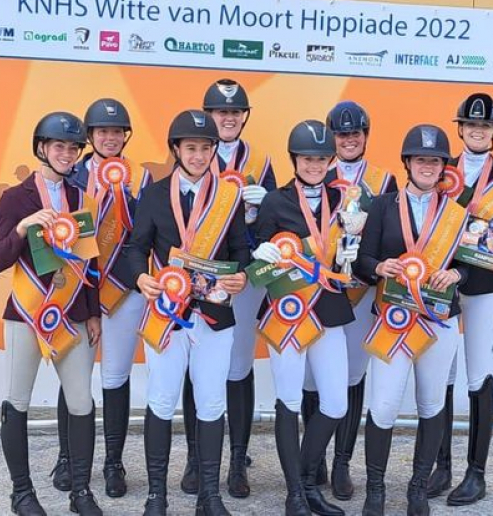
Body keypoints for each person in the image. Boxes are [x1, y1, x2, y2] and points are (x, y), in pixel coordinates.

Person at [123, 109, 251, 516]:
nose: (198, 156)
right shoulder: (154, 194)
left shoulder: (228, 197)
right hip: (168, 313)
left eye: (205, 148)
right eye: (191, 147)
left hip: (214, 315)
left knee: (211, 403)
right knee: (161, 401)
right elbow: (135, 248)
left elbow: (240, 249)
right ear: (176, 149)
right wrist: (140, 278)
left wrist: (242, 275)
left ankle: (209, 496)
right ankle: (156, 495)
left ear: (214, 150)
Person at [0, 112, 104, 516]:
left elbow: (89, 263)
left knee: (81, 401)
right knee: (18, 400)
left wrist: (93, 313)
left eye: (73, 148)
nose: (67, 154)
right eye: (59, 146)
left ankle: (81, 491)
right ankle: (22, 492)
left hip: (72, 313)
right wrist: (23, 227)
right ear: (42, 148)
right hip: (26, 313)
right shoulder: (15, 198)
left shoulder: (82, 199)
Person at [354, 124, 470, 516]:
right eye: (421, 159)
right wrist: (378, 267)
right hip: (393, 318)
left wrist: (456, 274)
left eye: (435, 161)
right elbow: (363, 259)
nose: (427, 166)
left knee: (431, 402)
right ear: (407, 162)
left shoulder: (456, 214)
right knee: (384, 404)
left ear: (443, 167)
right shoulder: (383, 206)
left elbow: (471, 267)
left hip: (438, 320)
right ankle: (375, 490)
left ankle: (418, 488)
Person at [426, 93, 493, 507]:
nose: (477, 131)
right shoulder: (441, 170)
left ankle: (476, 472)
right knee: (442, 373)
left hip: (483, 285)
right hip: (442, 283)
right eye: (471, 124)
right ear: (461, 129)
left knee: (477, 374)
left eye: (484, 126)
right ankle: (441, 465)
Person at [47, 98, 152, 498]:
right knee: (74, 376)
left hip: (123, 289)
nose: (110, 138)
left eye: (117, 131)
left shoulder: (141, 178)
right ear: (90, 136)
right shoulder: (70, 176)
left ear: (126, 136)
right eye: (102, 131)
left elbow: (147, 235)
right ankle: (68, 457)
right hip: (78, 288)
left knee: (115, 376)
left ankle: (113, 462)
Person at [251, 120, 356, 516]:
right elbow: (258, 261)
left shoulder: (344, 200)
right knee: (289, 400)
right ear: (294, 159)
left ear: (331, 161)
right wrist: (261, 253)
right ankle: (295, 493)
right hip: (288, 312)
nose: (314, 165)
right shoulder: (275, 202)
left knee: (336, 403)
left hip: (328, 309)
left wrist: (350, 257)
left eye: (322, 159)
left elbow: (350, 255)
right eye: (307, 158)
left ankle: (309, 483)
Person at [181, 78, 276, 499]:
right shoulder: (194, 154)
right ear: (208, 115)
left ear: (244, 117)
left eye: (235, 111)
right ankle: (194, 456)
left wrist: (262, 206)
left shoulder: (261, 161)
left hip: (244, 275)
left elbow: (278, 224)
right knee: (197, 363)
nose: (228, 117)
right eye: (221, 111)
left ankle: (238, 459)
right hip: (201, 276)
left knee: (238, 366)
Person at [302, 101, 397, 500]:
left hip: (361, 289)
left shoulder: (385, 180)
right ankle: (315, 460)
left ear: (366, 135)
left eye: (355, 133)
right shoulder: (316, 173)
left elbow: (393, 232)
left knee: (353, 375)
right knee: (313, 379)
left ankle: (342, 461)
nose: (348, 140)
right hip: (323, 290)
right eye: (341, 134)